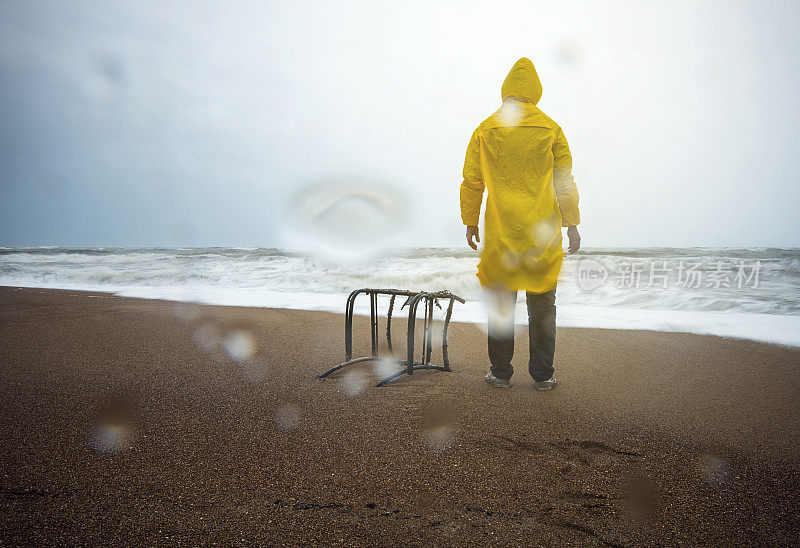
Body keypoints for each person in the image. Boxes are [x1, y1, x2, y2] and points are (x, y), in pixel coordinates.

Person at [459, 57, 581, 390]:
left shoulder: (486, 129)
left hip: (501, 236)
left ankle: (500, 373)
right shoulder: (551, 128)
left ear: (506, 89)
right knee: (542, 307)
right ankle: (543, 376)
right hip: (541, 238)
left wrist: (471, 220)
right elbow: (564, 179)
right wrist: (571, 222)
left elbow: (472, 180)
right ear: (535, 91)